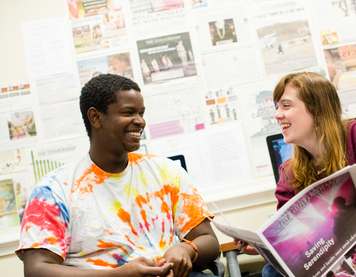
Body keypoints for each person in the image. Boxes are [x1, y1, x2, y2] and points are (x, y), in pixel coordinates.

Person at [16, 74, 220, 277]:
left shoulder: (167, 172)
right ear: (95, 117)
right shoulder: (54, 190)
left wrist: (186, 250)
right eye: (128, 112)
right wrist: (119, 275)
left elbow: (208, 240)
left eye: (141, 113)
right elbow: (37, 270)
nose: (140, 121)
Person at [235, 72, 356, 276]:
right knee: (271, 272)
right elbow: (291, 237)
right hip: (330, 263)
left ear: (317, 109)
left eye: (286, 106)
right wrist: (265, 247)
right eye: (277, 107)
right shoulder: (289, 172)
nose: (278, 115)